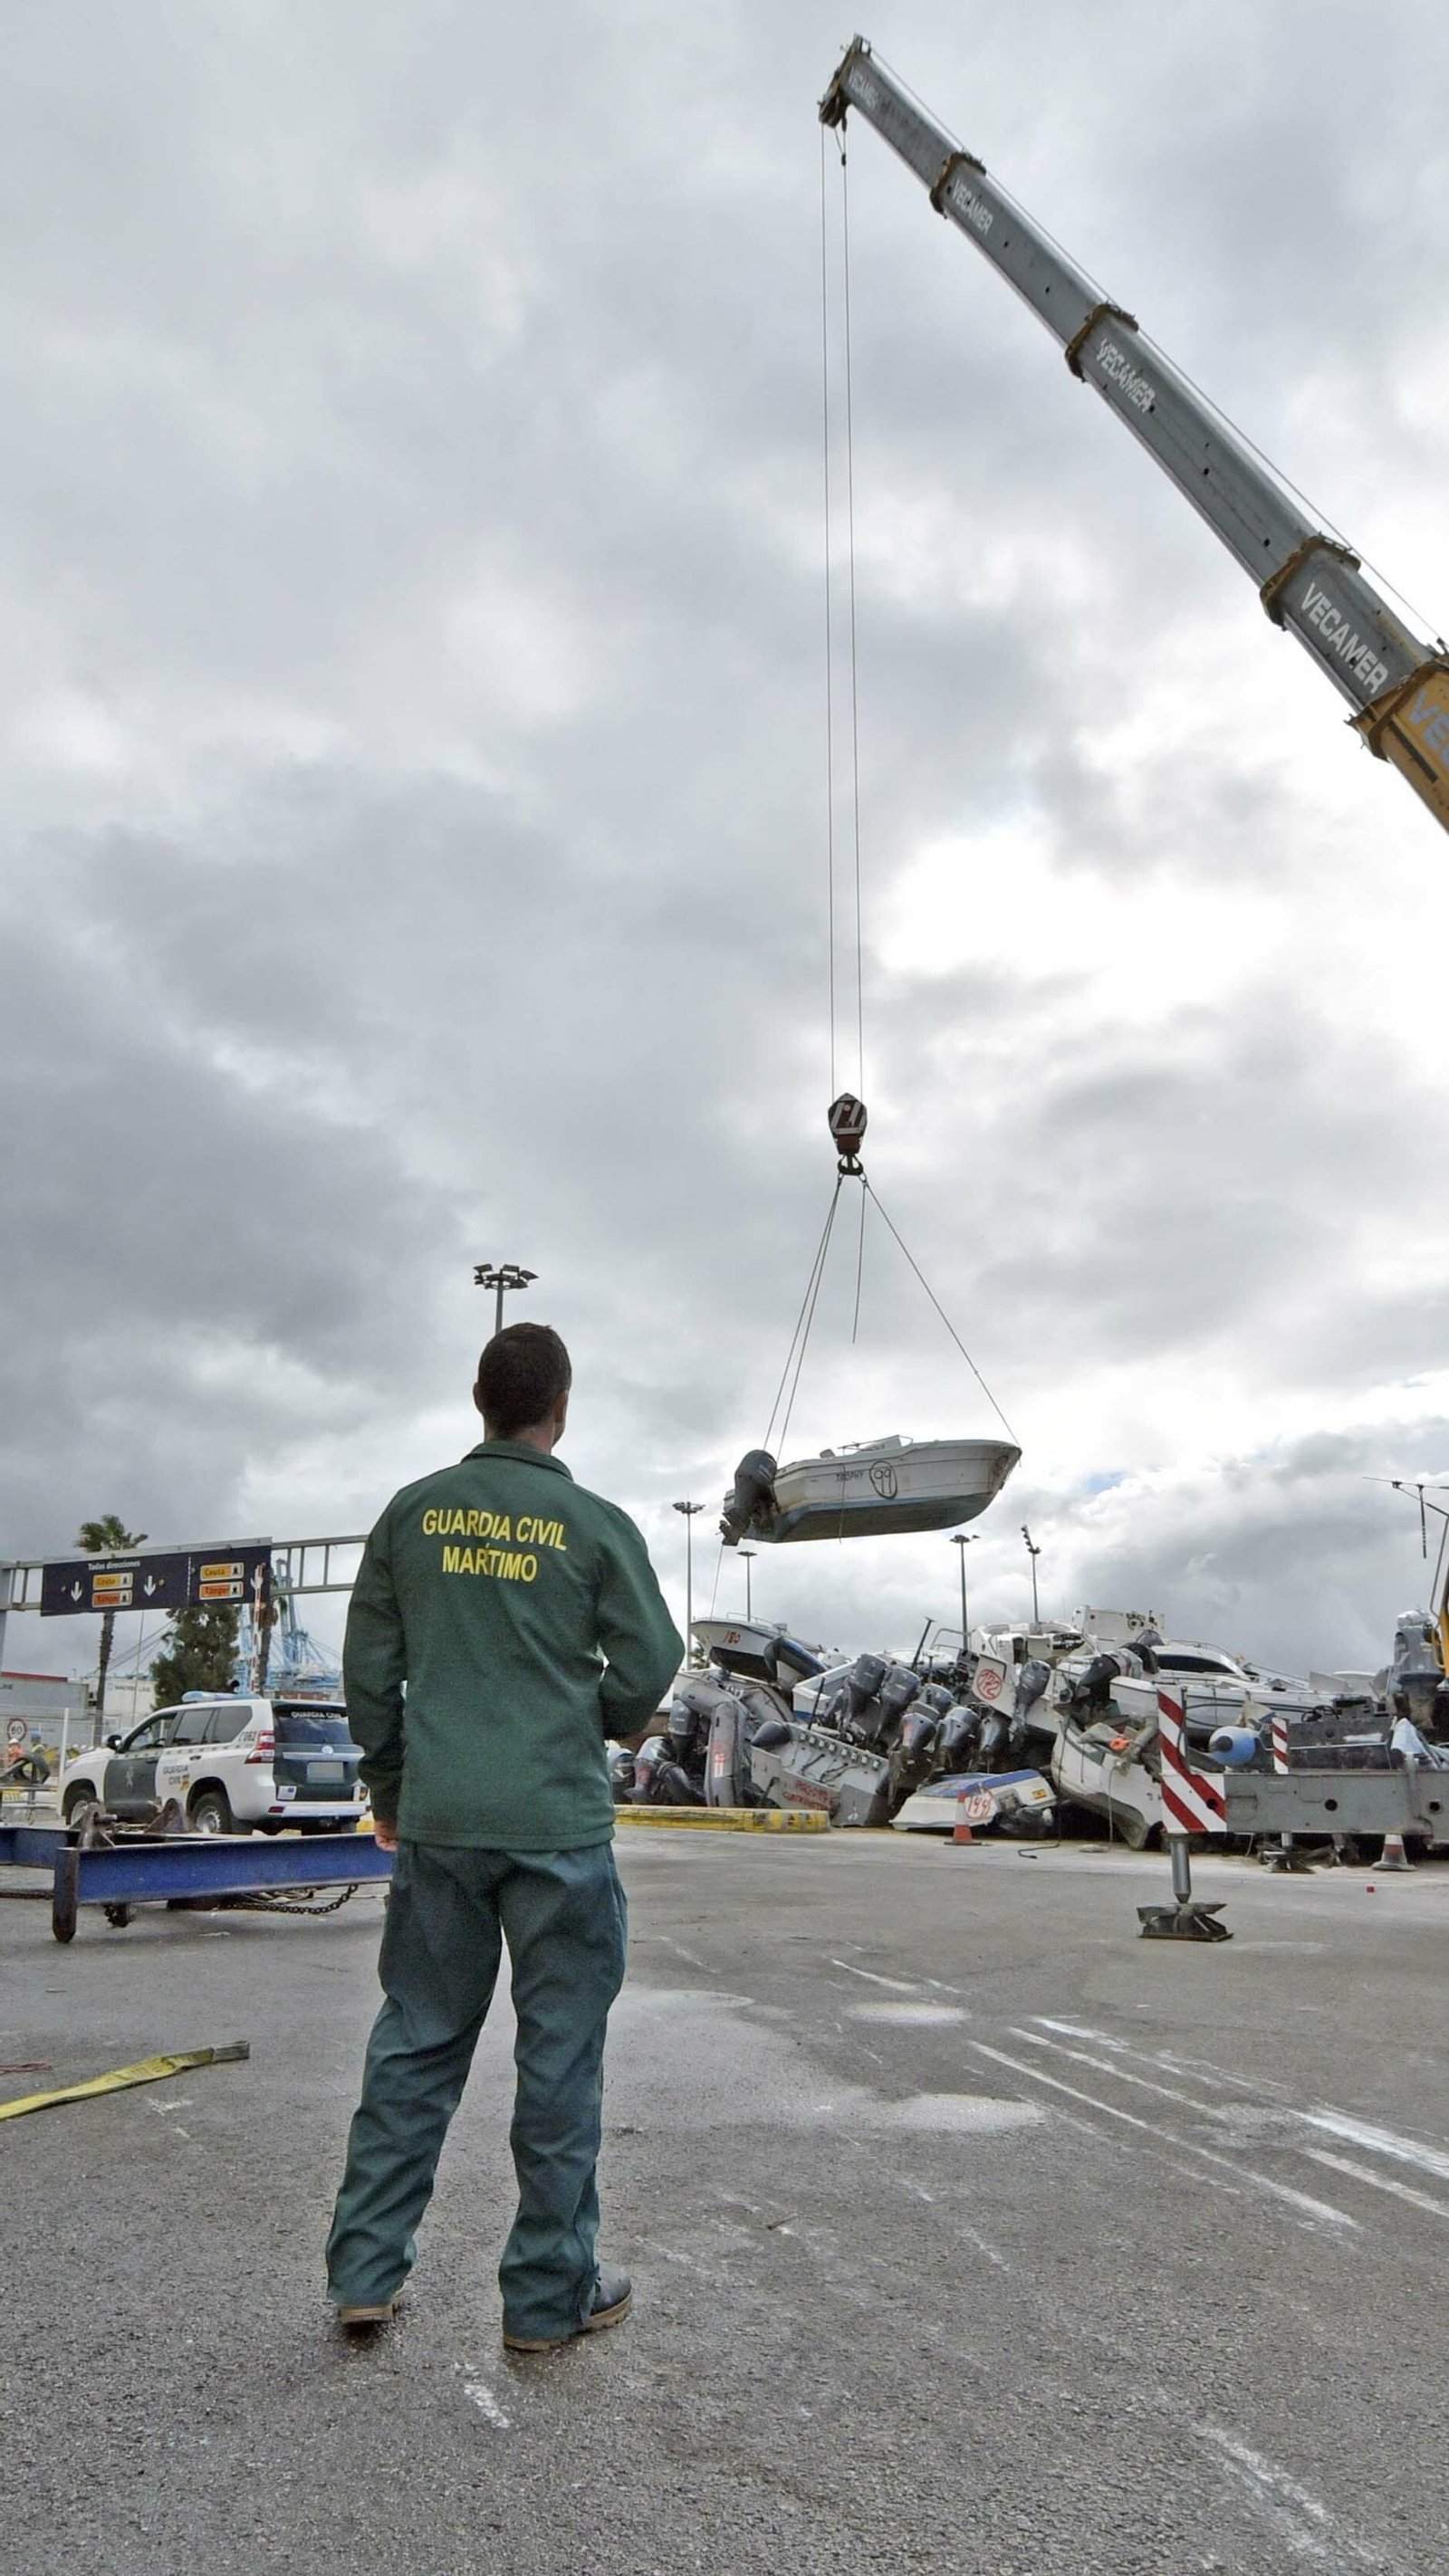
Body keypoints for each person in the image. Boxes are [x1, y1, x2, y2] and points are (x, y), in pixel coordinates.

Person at [324, 1322, 683, 2351]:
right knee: (560, 2057)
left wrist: (391, 1788)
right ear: (559, 1405)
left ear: (477, 1401)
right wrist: (604, 1717)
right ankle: (544, 2297)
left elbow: (367, 1675)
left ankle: (363, 2272)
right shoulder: (593, 1522)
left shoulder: (410, 1514)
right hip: (557, 1828)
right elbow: (652, 1655)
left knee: (417, 2041)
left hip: (440, 1823)